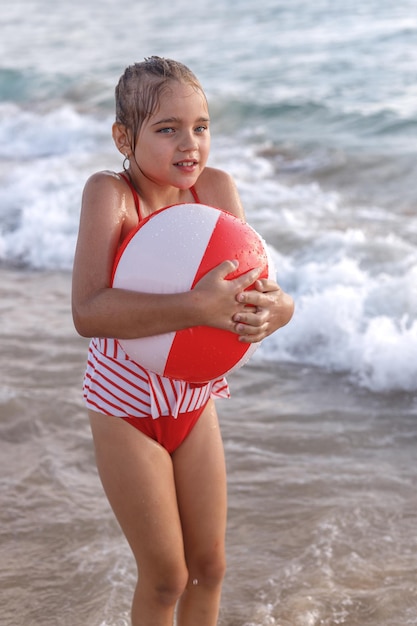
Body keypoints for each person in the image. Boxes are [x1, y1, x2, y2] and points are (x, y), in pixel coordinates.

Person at [72, 56, 294, 626]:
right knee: (167, 574)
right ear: (125, 136)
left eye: (201, 126)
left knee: (210, 567)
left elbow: (262, 291)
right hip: (126, 408)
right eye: (166, 129)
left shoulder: (215, 190)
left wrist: (278, 311)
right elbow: (89, 310)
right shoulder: (112, 195)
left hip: (193, 403)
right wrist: (195, 306)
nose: (189, 143)